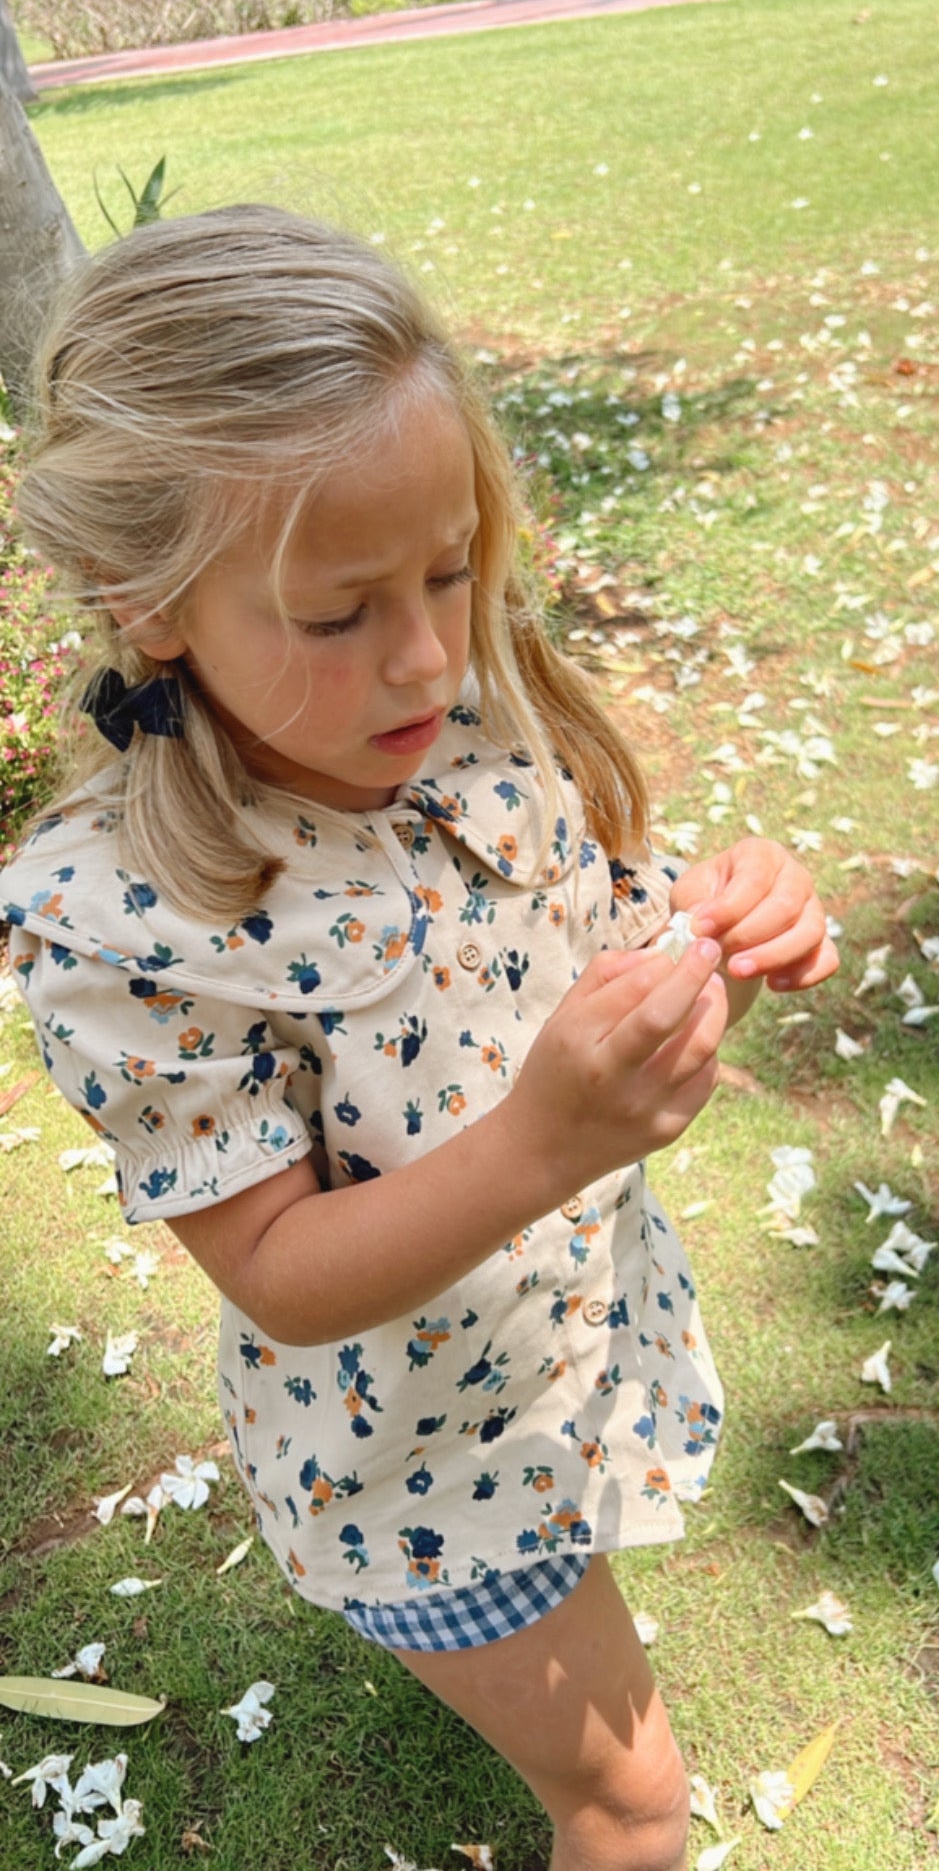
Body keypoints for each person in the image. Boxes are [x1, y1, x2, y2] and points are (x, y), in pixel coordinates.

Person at [1, 206, 837, 1871]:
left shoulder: (456, 720)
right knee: (633, 1804)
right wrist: (544, 1141)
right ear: (145, 600)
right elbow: (278, 1273)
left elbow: (589, 911)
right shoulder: (123, 918)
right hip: (418, 1466)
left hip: (566, 1361)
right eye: (339, 611)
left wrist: (722, 924)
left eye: (450, 569)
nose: (429, 649)